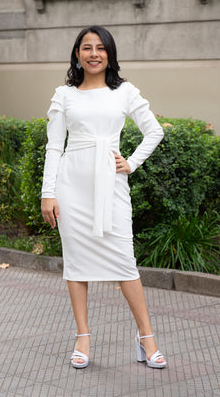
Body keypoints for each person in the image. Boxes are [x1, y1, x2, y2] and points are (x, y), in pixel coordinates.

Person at [41, 25, 166, 369]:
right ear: (77, 55)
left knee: (125, 260)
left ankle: (146, 337)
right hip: (71, 186)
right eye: (86, 47)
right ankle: (83, 336)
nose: (93, 53)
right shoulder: (64, 95)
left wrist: (132, 163)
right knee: (76, 262)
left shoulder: (124, 92)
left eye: (100, 48)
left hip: (110, 184)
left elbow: (153, 130)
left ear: (109, 54)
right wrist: (47, 193)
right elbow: (54, 146)